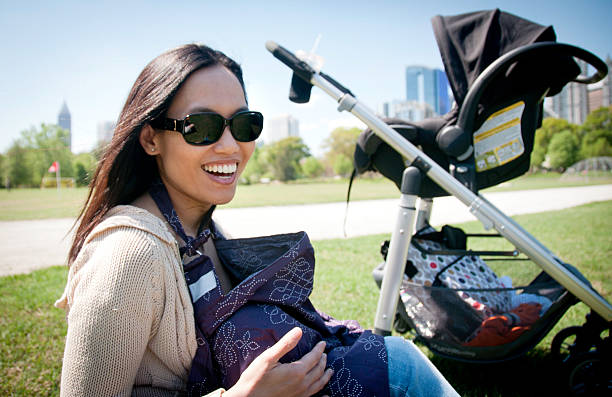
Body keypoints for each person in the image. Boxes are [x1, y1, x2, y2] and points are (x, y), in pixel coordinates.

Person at [56, 43, 459, 397]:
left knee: (399, 360)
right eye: (202, 127)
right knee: (402, 367)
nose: (231, 145)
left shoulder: (203, 231)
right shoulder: (128, 256)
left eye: (244, 124)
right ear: (150, 139)